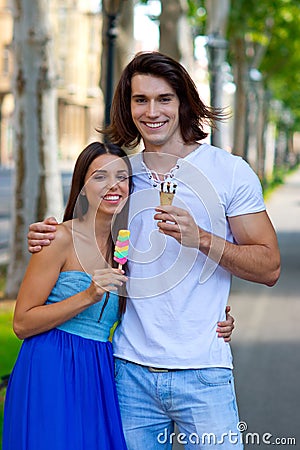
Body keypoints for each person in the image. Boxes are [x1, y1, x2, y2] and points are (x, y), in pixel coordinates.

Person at [27, 51, 280, 450]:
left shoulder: (229, 171)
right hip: (128, 372)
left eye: (164, 99)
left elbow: (269, 266)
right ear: (127, 108)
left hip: (204, 371)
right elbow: (83, 239)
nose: (152, 111)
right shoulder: (122, 176)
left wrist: (204, 239)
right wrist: (46, 236)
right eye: (140, 100)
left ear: (183, 103)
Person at [2, 142, 133, 450]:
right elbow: (21, 322)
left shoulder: (126, 246)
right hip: (51, 365)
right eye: (100, 177)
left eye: (122, 177)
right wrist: (88, 295)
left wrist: (219, 317)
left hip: (98, 368)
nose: (113, 185)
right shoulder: (58, 238)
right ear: (82, 187)